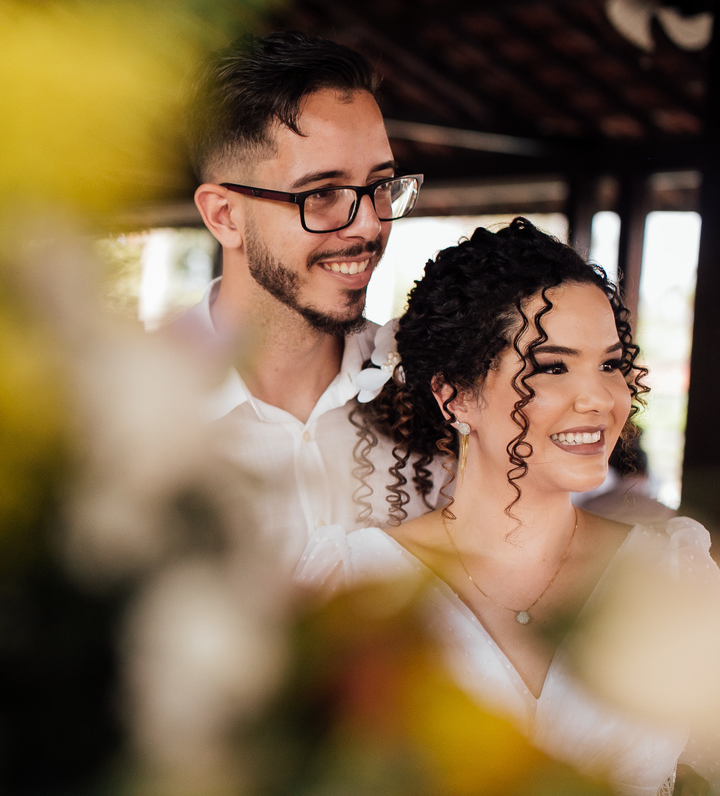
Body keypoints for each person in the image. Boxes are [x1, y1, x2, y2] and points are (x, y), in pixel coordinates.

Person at [295, 218, 720, 794]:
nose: (597, 398)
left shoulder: (673, 573)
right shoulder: (353, 581)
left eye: (611, 364)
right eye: (552, 366)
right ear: (455, 396)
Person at [177, 30, 429, 569]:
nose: (367, 225)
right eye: (321, 194)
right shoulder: (135, 418)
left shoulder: (434, 399)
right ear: (224, 216)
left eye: (381, 186)